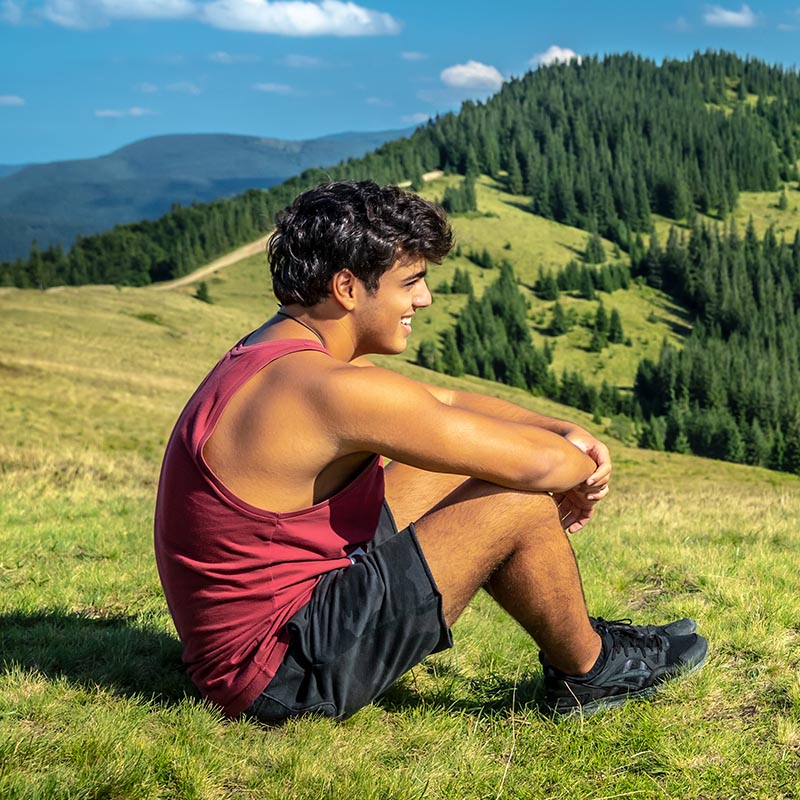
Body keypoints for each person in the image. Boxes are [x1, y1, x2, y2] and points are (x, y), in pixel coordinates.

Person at [154, 180, 707, 722]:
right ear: (347, 287)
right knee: (515, 495)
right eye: (411, 281)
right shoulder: (332, 390)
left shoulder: (278, 354)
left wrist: (559, 426)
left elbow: (436, 399)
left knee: (446, 469)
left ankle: (582, 641)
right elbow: (542, 467)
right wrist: (577, 466)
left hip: (271, 630)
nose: (425, 297)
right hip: (279, 675)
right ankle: (591, 670)